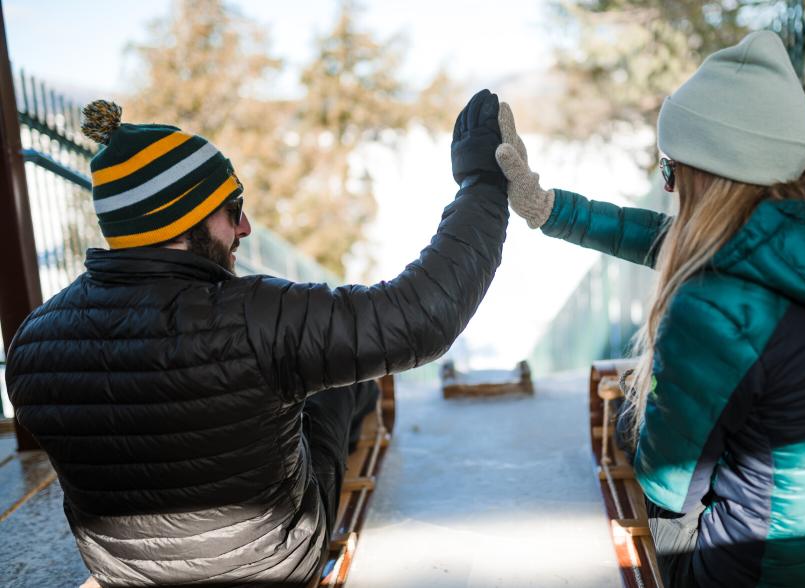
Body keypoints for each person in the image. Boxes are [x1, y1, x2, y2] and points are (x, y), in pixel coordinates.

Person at [5, 89, 509, 587]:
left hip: (124, 573)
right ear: (183, 218)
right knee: (341, 381)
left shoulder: (31, 345)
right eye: (232, 206)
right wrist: (481, 182)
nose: (244, 226)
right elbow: (420, 317)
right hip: (272, 564)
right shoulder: (256, 317)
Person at [495, 31, 805, 587]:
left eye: (669, 168)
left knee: (629, 495)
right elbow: (680, 241)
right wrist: (551, 209)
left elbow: (668, 485)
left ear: (701, 173)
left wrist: (633, 424)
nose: (668, 186)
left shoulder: (712, 304)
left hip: (775, 576)